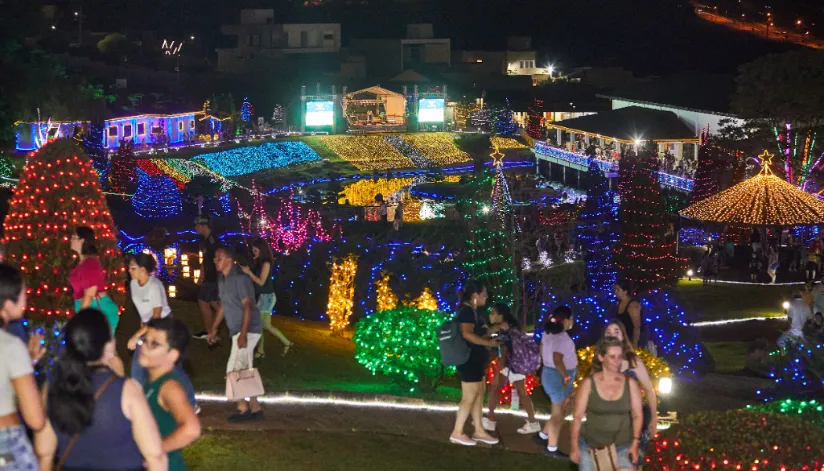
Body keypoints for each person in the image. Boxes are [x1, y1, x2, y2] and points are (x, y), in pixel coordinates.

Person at [34, 309, 167, 471]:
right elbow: (155, 456)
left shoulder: (52, 387)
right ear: (108, 345)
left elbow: (44, 453)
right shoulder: (126, 390)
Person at [126, 253, 197, 407]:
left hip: (164, 326)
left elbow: (156, 317)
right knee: (138, 366)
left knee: (172, 366)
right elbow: (143, 311)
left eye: (132, 268)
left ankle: (191, 403)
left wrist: (136, 337)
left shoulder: (154, 286)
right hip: (148, 326)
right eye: (129, 267)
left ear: (143, 270)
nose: (129, 271)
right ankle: (140, 404)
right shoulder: (133, 284)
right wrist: (141, 328)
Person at [208, 246, 264, 423]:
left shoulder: (240, 278)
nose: (216, 261)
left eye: (220, 258)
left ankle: (242, 409)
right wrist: (213, 327)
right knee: (242, 368)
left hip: (248, 329)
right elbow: (223, 305)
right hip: (238, 330)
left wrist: (243, 334)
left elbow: (248, 305)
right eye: (215, 258)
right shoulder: (222, 279)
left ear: (230, 260)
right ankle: (255, 407)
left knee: (233, 369)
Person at [569, 338, 643, 471]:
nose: (617, 361)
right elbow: (577, 417)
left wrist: (635, 443)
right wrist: (574, 446)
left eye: (620, 356)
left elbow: (637, 415)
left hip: (622, 445)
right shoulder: (588, 384)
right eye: (612, 356)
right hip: (590, 446)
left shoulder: (630, 383)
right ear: (601, 357)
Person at [139, 317, 202, 470]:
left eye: (154, 345)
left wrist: (157, 451)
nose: (145, 348)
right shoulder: (151, 383)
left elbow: (192, 429)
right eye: (144, 341)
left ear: (172, 355)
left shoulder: (169, 387)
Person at [0, 264, 45, 469]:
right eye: (23, 294)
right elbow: (35, 419)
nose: (26, 299)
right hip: (6, 445)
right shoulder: (10, 345)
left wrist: (27, 363)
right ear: (8, 304)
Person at [449, 281, 500, 447]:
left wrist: (494, 333)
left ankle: (479, 431)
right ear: (475, 295)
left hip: (475, 360)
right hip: (468, 360)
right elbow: (467, 334)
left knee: (478, 395)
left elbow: (480, 332)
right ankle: (457, 432)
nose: (487, 297)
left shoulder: (474, 311)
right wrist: (490, 344)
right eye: (484, 293)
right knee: (469, 396)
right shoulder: (467, 311)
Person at [482, 303, 540, 435]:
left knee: (494, 388)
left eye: (493, 313)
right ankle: (533, 423)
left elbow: (505, 350)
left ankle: (490, 420)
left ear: (500, 315)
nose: (490, 315)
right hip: (519, 365)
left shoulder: (506, 329)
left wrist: (498, 371)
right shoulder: (513, 327)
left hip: (510, 365)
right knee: (522, 393)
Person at [603, 321, 660, 438]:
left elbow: (649, 390)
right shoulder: (600, 360)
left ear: (622, 336)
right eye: (608, 332)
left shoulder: (633, 361)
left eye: (616, 332)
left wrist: (654, 418)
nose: (612, 335)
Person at [239, 239, 292, 359]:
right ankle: (261, 350)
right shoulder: (259, 262)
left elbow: (261, 282)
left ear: (262, 250)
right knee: (259, 324)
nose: (254, 252)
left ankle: (286, 343)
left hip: (268, 297)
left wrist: (249, 273)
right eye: (253, 250)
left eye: (255, 250)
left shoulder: (266, 263)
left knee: (266, 325)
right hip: (263, 297)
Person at [536, 305, 577, 458]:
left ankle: (543, 436)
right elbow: (557, 359)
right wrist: (566, 376)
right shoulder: (562, 338)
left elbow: (542, 349)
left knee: (563, 410)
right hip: (557, 377)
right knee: (557, 415)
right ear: (565, 320)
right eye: (571, 318)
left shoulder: (548, 333)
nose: (572, 321)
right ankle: (551, 449)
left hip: (551, 374)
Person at [69, 226, 120, 333]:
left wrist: (79, 319)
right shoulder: (81, 262)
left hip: (97, 310)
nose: (70, 240)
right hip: (88, 309)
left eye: (74, 237)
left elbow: (90, 294)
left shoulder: (90, 263)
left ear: (82, 240)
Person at [192, 216, 221, 340]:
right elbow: (204, 260)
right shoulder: (204, 241)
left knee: (203, 300)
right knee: (213, 301)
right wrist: (201, 276)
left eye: (197, 225)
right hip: (209, 276)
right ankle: (235, 319)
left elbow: (220, 259)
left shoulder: (214, 241)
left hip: (214, 277)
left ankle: (209, 332)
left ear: (204, 226)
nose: (196, 228)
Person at [614, 280, 647, 349]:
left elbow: (637, 327)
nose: (615, 292)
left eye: (618, 289)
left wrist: (634, 344)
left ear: (625, 292)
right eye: (615, 289)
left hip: (634, 337)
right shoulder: (619, 303)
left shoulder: (632, 305)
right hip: (624, 337)